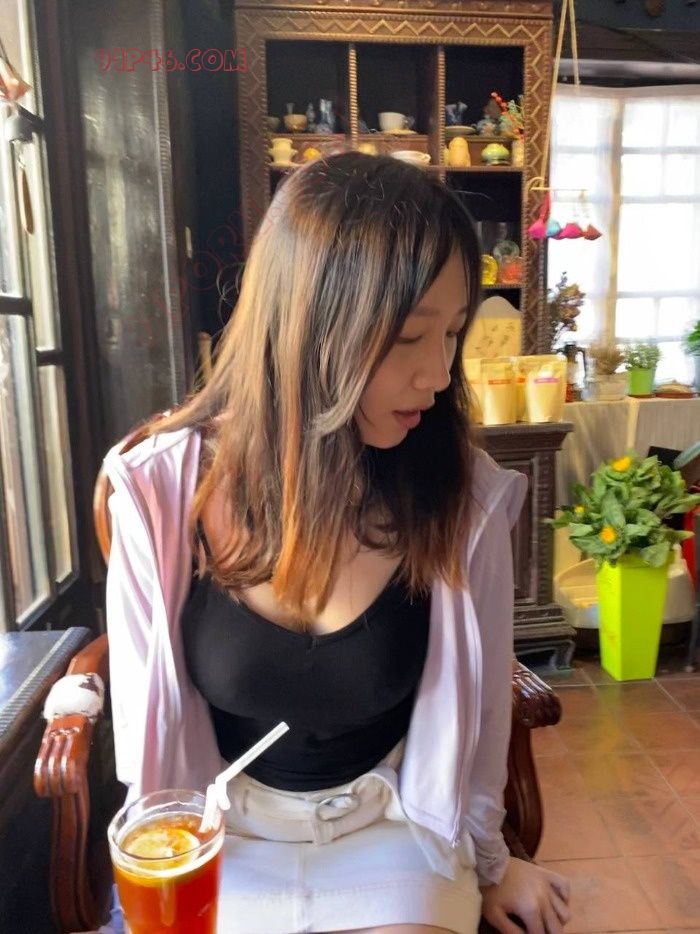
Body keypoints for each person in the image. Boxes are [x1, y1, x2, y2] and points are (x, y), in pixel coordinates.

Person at [101, 151, 571, 934]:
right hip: (224, 833)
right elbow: (145, 740)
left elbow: (486, 707)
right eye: (409, 336)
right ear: (308, 327)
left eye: (453, 332)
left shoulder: (462, 498)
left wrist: (492, 861)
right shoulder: (161, 492)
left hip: (394, 825)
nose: (439, 374)